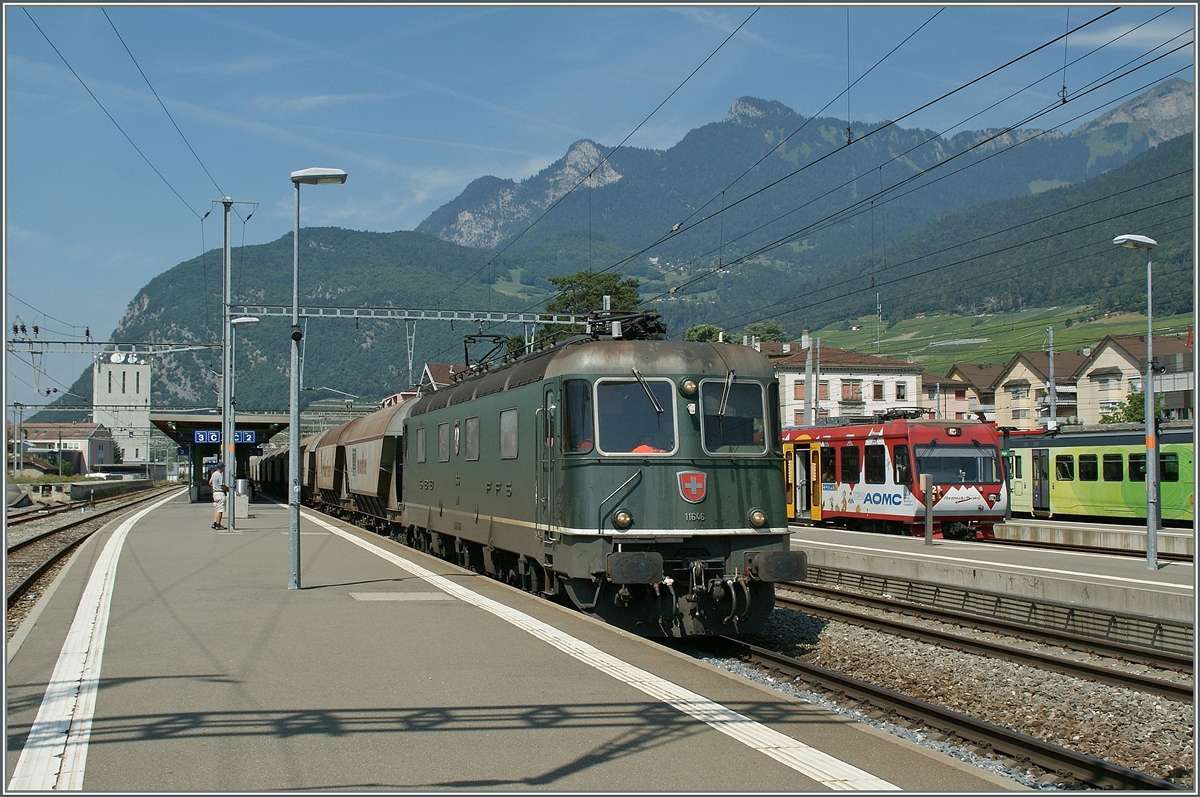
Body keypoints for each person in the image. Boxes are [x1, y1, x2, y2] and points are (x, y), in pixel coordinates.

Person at [209, 462, 229, 529]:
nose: (224, 468)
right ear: (222, 467)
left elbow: (210, 482)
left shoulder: (214, 474)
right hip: (220, 493)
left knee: (217, 508)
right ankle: (218, 524)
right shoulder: (219, 475)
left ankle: (215, 522)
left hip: (215, 493)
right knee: (220, 509)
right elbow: (222, 485)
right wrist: (227, 489)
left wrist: (214, 487)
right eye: (223, 467)